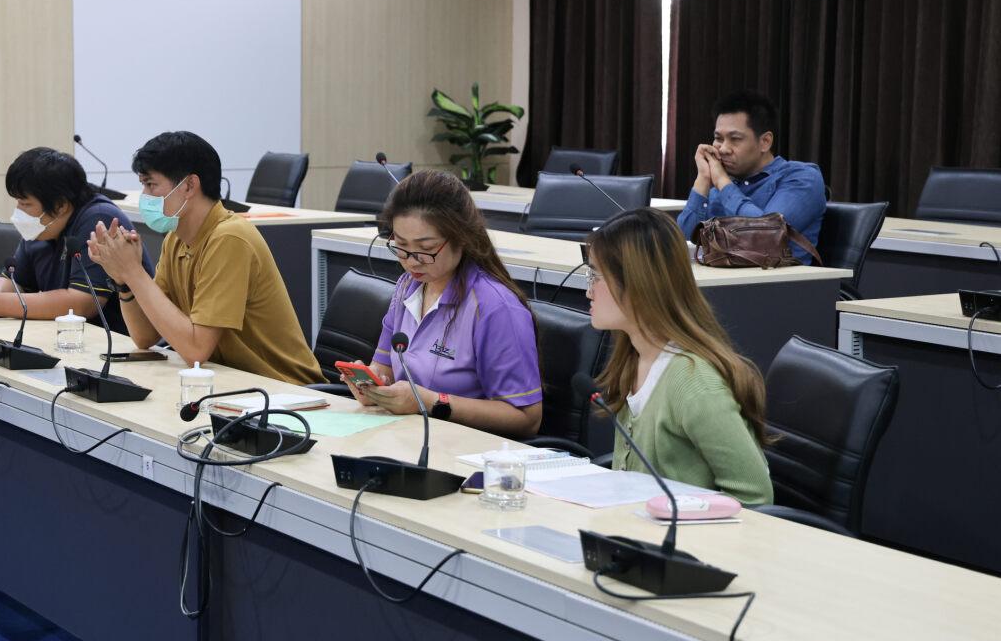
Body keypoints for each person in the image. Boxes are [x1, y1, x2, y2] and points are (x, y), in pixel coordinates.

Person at [85, 131, 323, 385]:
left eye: (151, 185)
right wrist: (123, 280)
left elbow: (196, 351)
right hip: (233, 383)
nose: (144, 195)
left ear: (189, 186)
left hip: (284, 389)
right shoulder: (176, 239)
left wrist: (134, 272)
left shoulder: (229, 238)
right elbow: (145, 337)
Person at [585, 208, 773, 505]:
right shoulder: (634, 359)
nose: (588, 291)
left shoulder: (694, 382)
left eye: (596, 276)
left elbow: (755, 495)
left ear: (637, 283)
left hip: (684, 533)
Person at [339, 171, 542, 438]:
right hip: (407, 438)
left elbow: (526, 418)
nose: (411, 261)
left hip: (465, 448)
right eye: (401, 246)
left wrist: (430, 402)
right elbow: (384, 368)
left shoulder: (495, 307)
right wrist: (373, 386)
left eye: (426, 248)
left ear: (462, 237)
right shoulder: (406, 287)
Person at [0, 147, 152, 335]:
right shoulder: (42, 228)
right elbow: (14, 280)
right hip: (66, 338)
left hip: (118, 343)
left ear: (60, 206)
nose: (19, 211)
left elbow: (83, 302)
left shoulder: (99, 220)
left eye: (25, 203)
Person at [676, 90, 826, 265]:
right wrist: (702, 179)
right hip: (721, 277)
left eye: (735, 139)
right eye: (718, 138)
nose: (723, 149)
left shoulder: (802, 178)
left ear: (765, 142)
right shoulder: (722, 181)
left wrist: (723, 183)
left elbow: (766, 237)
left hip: (777, 279)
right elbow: (683, 244)